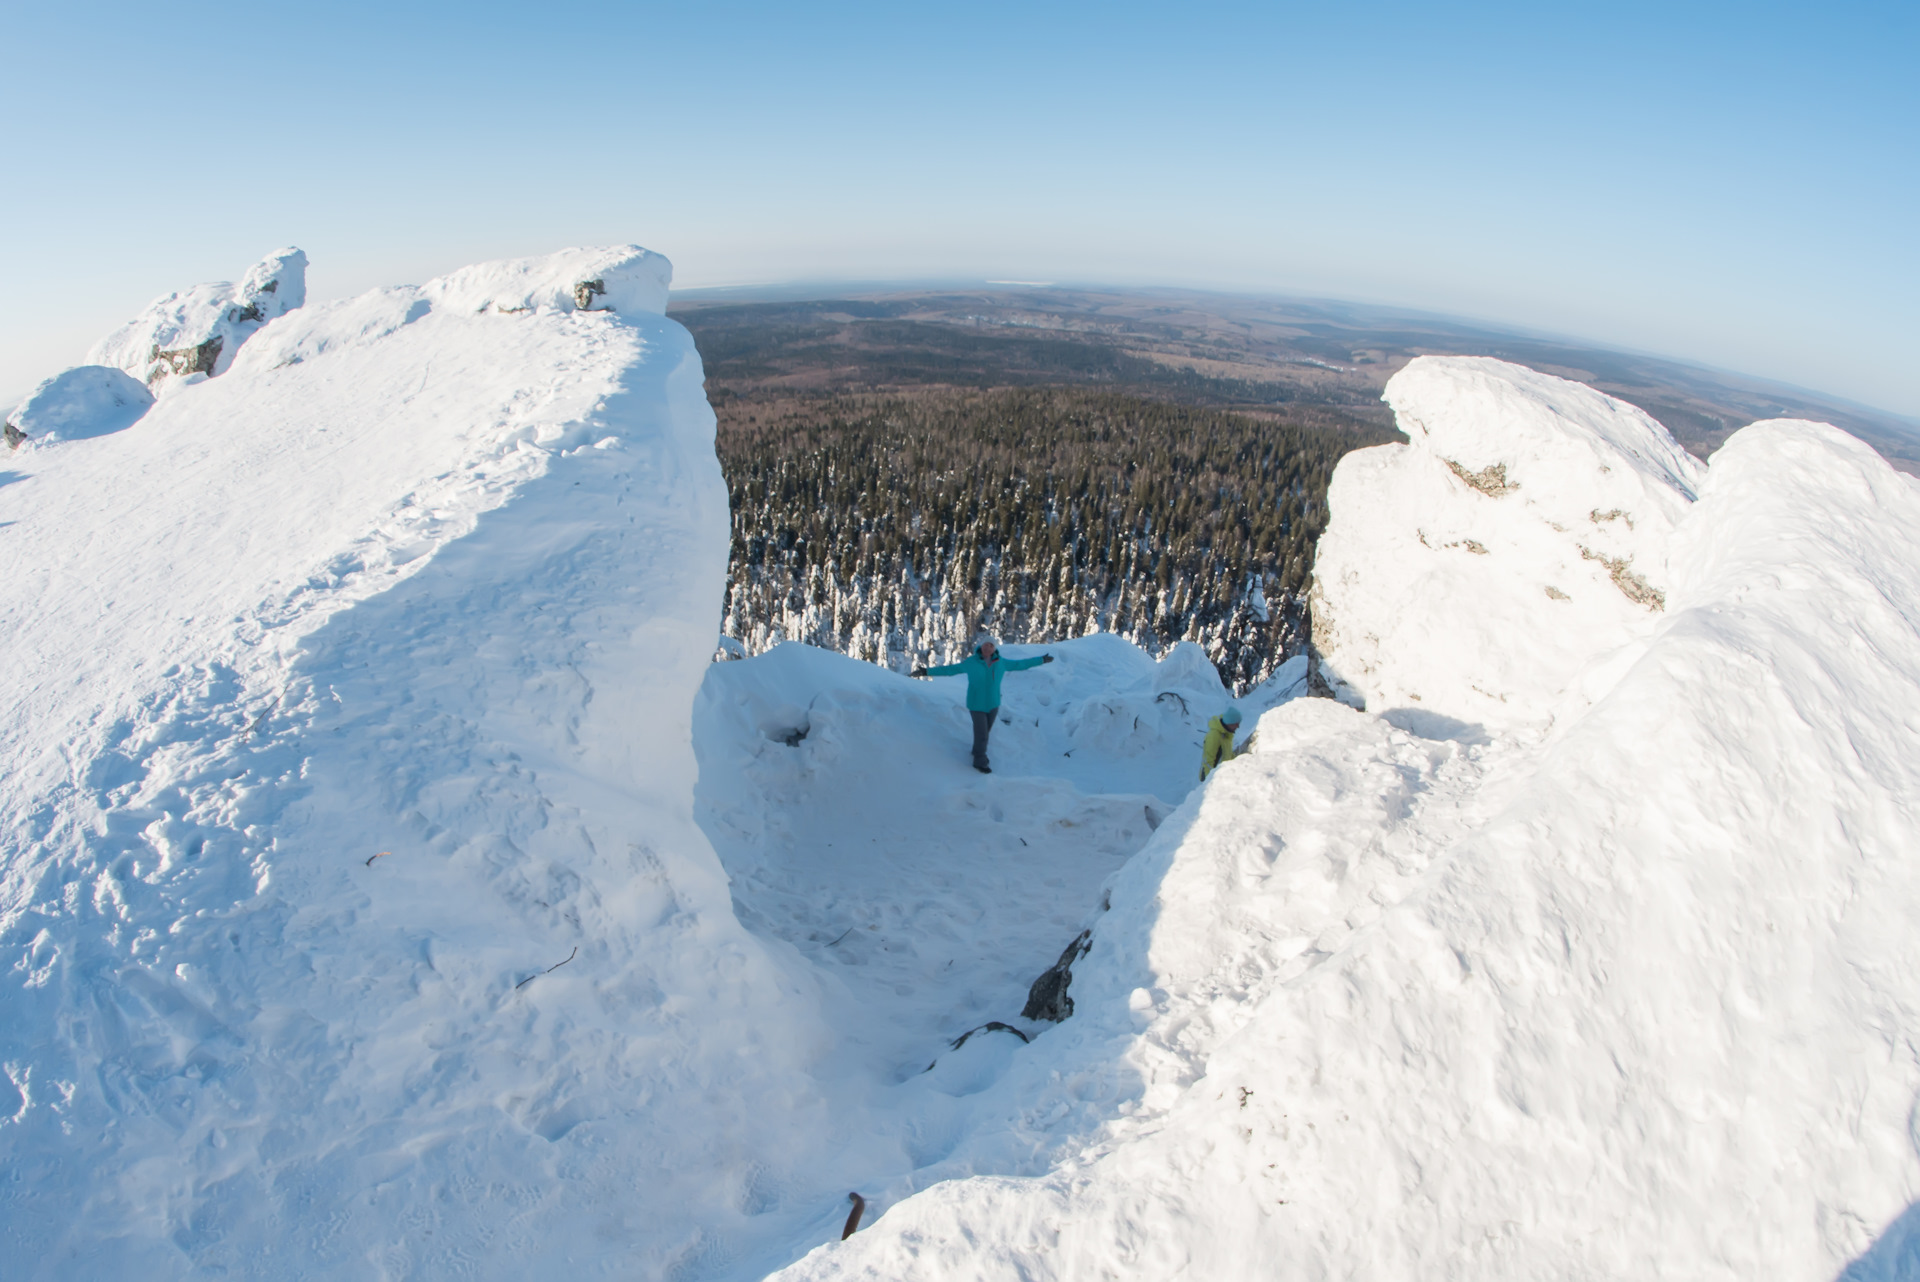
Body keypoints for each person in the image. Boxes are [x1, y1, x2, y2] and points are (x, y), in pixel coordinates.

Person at [912, 637, 1054, 773]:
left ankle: (976, 750)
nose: (988, 647)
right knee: (982, 734)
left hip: (993, 704)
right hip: (976, 704)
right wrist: (926, 671)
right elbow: (950, 670)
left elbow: (1021, 664)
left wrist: (1041, 660)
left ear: (994, 649)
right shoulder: (971, 662)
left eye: (991, 645)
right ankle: (980, 762)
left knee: (985, 733)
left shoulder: (1001, 662)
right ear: (981, 646)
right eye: (986, 644)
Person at [1200, 705, 1247, 780]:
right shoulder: (1214, 735)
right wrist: (1210, 782)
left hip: (1223, 777)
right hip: (1213, 779)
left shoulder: (1226, 735)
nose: (1238, 726)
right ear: (1230, 722)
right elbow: (1208, 761)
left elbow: (1227, 756)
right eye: (1236, 723)